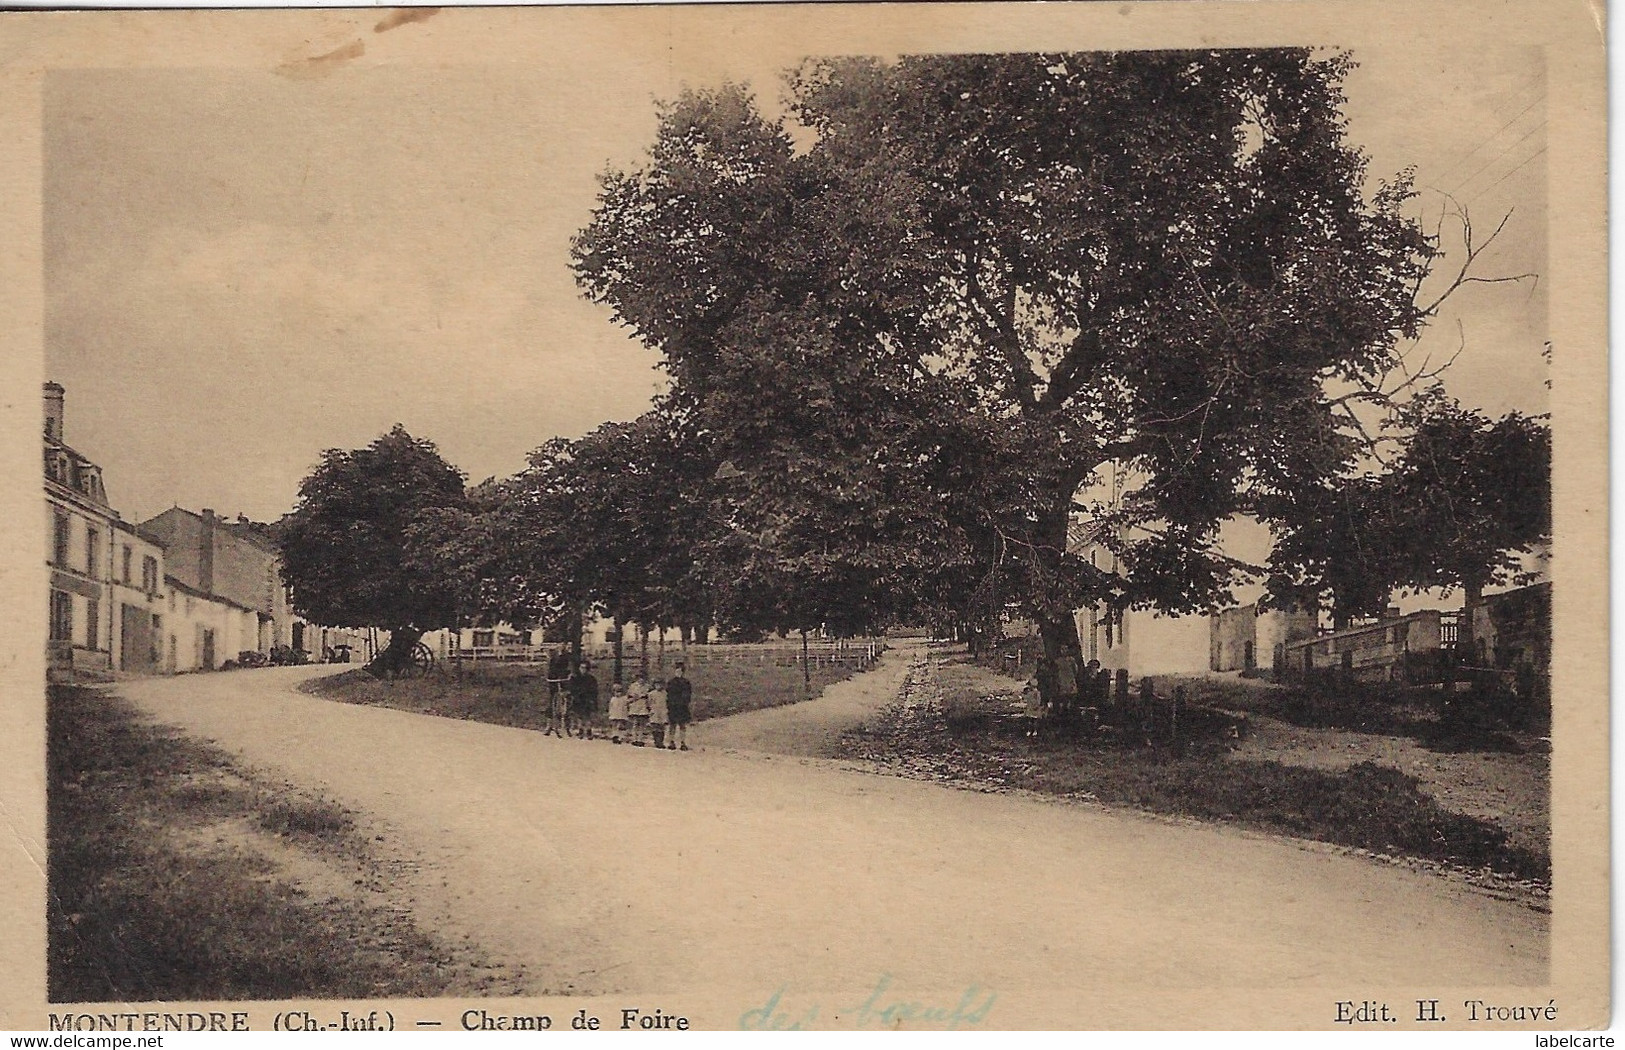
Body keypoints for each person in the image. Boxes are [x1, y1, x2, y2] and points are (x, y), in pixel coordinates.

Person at [545, 647, 573, 737]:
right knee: (552, 704)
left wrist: (567, 677)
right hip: (554, 684)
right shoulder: (552, 664)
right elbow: (549, 675)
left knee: (566, 705)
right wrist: (550, 679)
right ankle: (549, 725)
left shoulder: (566, 662)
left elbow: (569, 672)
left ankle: (567, 727)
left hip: (563, 683)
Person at [665, 661, 693, 751]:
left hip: (682, 706)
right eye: (677, 671)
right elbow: (668, 694)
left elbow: (688, 694)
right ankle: (671, 741)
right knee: (672, 725)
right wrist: (669, 704)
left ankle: (682, 742)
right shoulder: (671, 682)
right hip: (673, 706)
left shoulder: (686, 682)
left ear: (683, 672)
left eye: (680, 671)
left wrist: (685, 702)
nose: (678, 673)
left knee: (682, 725)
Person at [568, 661, 599, 740]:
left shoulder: (591, 679)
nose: (583, 670)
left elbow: (594, 690)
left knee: (587, 716)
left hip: (587, 698)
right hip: (578, 698)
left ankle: (589, 731)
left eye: (585, 668)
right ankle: (580, 730)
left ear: (587, 669)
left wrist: (592, 699)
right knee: (579, 716)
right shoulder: (575, 678)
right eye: (581, 668)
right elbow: (572, 688)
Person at [626, 673, 651, 746]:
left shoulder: (647, 686)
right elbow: (629, 695)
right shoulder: (633, 686)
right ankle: (634, 739)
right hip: (635, 705)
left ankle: (640, 739)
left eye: (643, 678)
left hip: (643, 705)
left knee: (642, 723)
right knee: (635, 722)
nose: (641, 680)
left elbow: (648, 696)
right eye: (640, 678)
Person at [647, 678, 669, 749]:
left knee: (661, 727)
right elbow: (649, 703)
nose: (658, 686)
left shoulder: (665, 693)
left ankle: (661, 741)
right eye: (656, 685)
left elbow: (667, 702)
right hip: (654, 711)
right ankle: (656, 741)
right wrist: (651, 709)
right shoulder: (651, 694)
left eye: (660, 685)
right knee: (655, 726)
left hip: (663, 711)